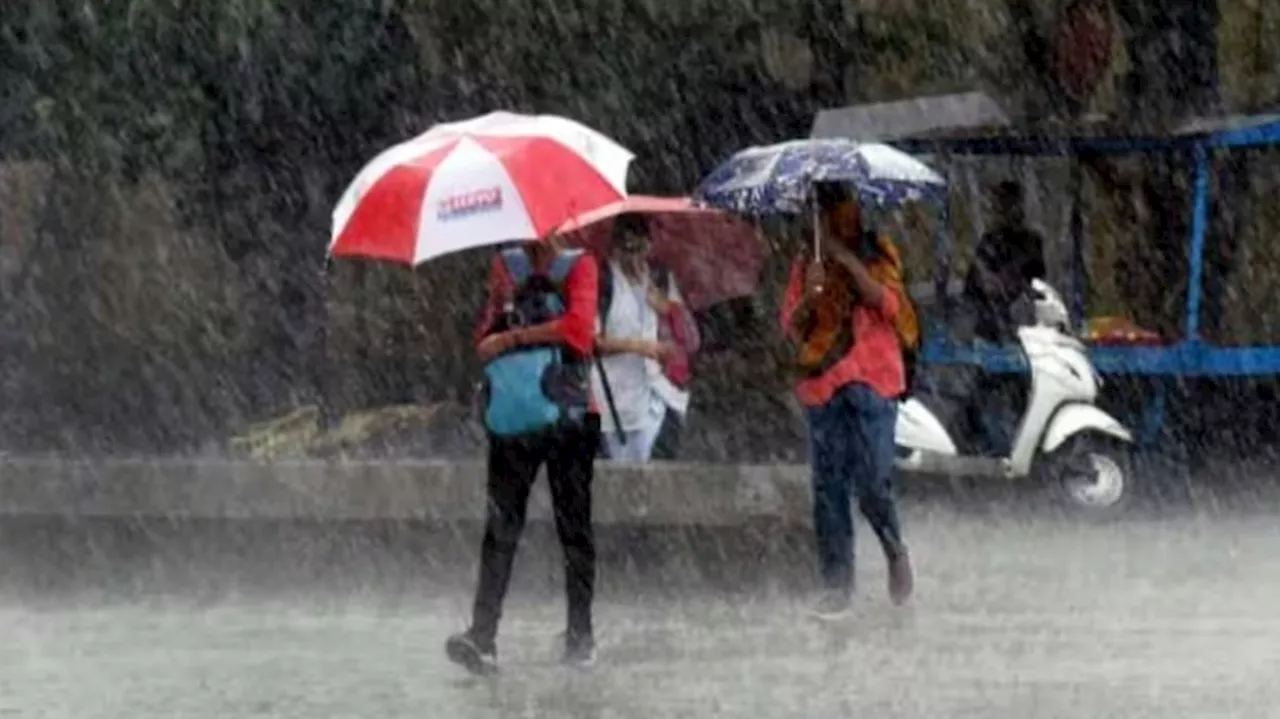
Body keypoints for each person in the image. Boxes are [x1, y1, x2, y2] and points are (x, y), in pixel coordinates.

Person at [446, 235, 600, 675]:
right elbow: (483, 337)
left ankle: (580, 634)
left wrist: (516, 336)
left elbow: (580, 329)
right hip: (513, 417)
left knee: (574, 528)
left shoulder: (579, 265)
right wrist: (501, 315)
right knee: (500, 526)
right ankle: (482, 636)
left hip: (568, 416)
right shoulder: (505, 268)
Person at [779, 182, 915, 619]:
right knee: (828, 488)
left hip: (874, 380)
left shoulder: (879, 251)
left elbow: (889, 305)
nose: (826, 217)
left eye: (836, 205)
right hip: (823, 382)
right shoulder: (806, 262)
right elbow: (793, 326)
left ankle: (893, 547)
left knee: (874, 481)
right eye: (819, 208)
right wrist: (814, 293)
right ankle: (837, 585)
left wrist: (846, 260)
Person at [591, 214, 693, 462]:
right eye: (628, 250)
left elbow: (689, 337)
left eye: (641, 249)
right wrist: (638, 346)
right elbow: (593, 341)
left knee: (660, 470)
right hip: (613, 398)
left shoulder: (658, 277)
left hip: (658, 393)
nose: (635, 259)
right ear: (615, 250)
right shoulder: (603, 280)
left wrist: (668, 308)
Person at [962, 180, 1047, 343]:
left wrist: (1011, 283)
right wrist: (985, 279)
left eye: (1006, 204)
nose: (999, 210)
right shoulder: (989, 241)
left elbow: (1036, 281)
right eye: (998, 205)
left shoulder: (1030, 242)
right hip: (990, 328)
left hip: (1022, 328)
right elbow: (973, 289)